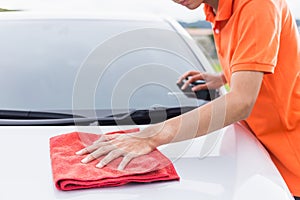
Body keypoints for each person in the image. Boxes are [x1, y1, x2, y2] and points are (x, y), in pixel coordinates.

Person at [76, 0, 300, 198]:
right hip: (257, 149)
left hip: (291, 159)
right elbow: (262, 52)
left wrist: (150, 136)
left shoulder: (257, 5)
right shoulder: (215, 8)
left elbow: (241, 102)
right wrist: (224, 76)